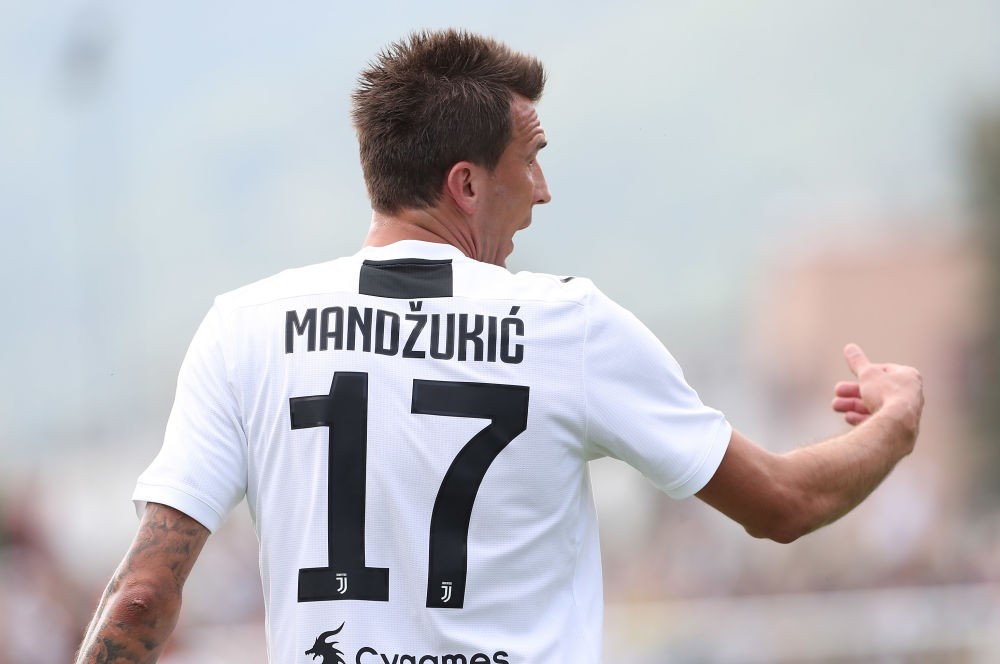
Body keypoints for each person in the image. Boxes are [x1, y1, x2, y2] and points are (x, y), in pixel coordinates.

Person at [75, 28, 924, 664]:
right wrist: (894, 426)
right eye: (534, 158)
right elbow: (781, 503)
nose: (544, 192)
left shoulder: (244, 328)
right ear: (467, 183)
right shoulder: (569, 325)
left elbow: (143, 594)